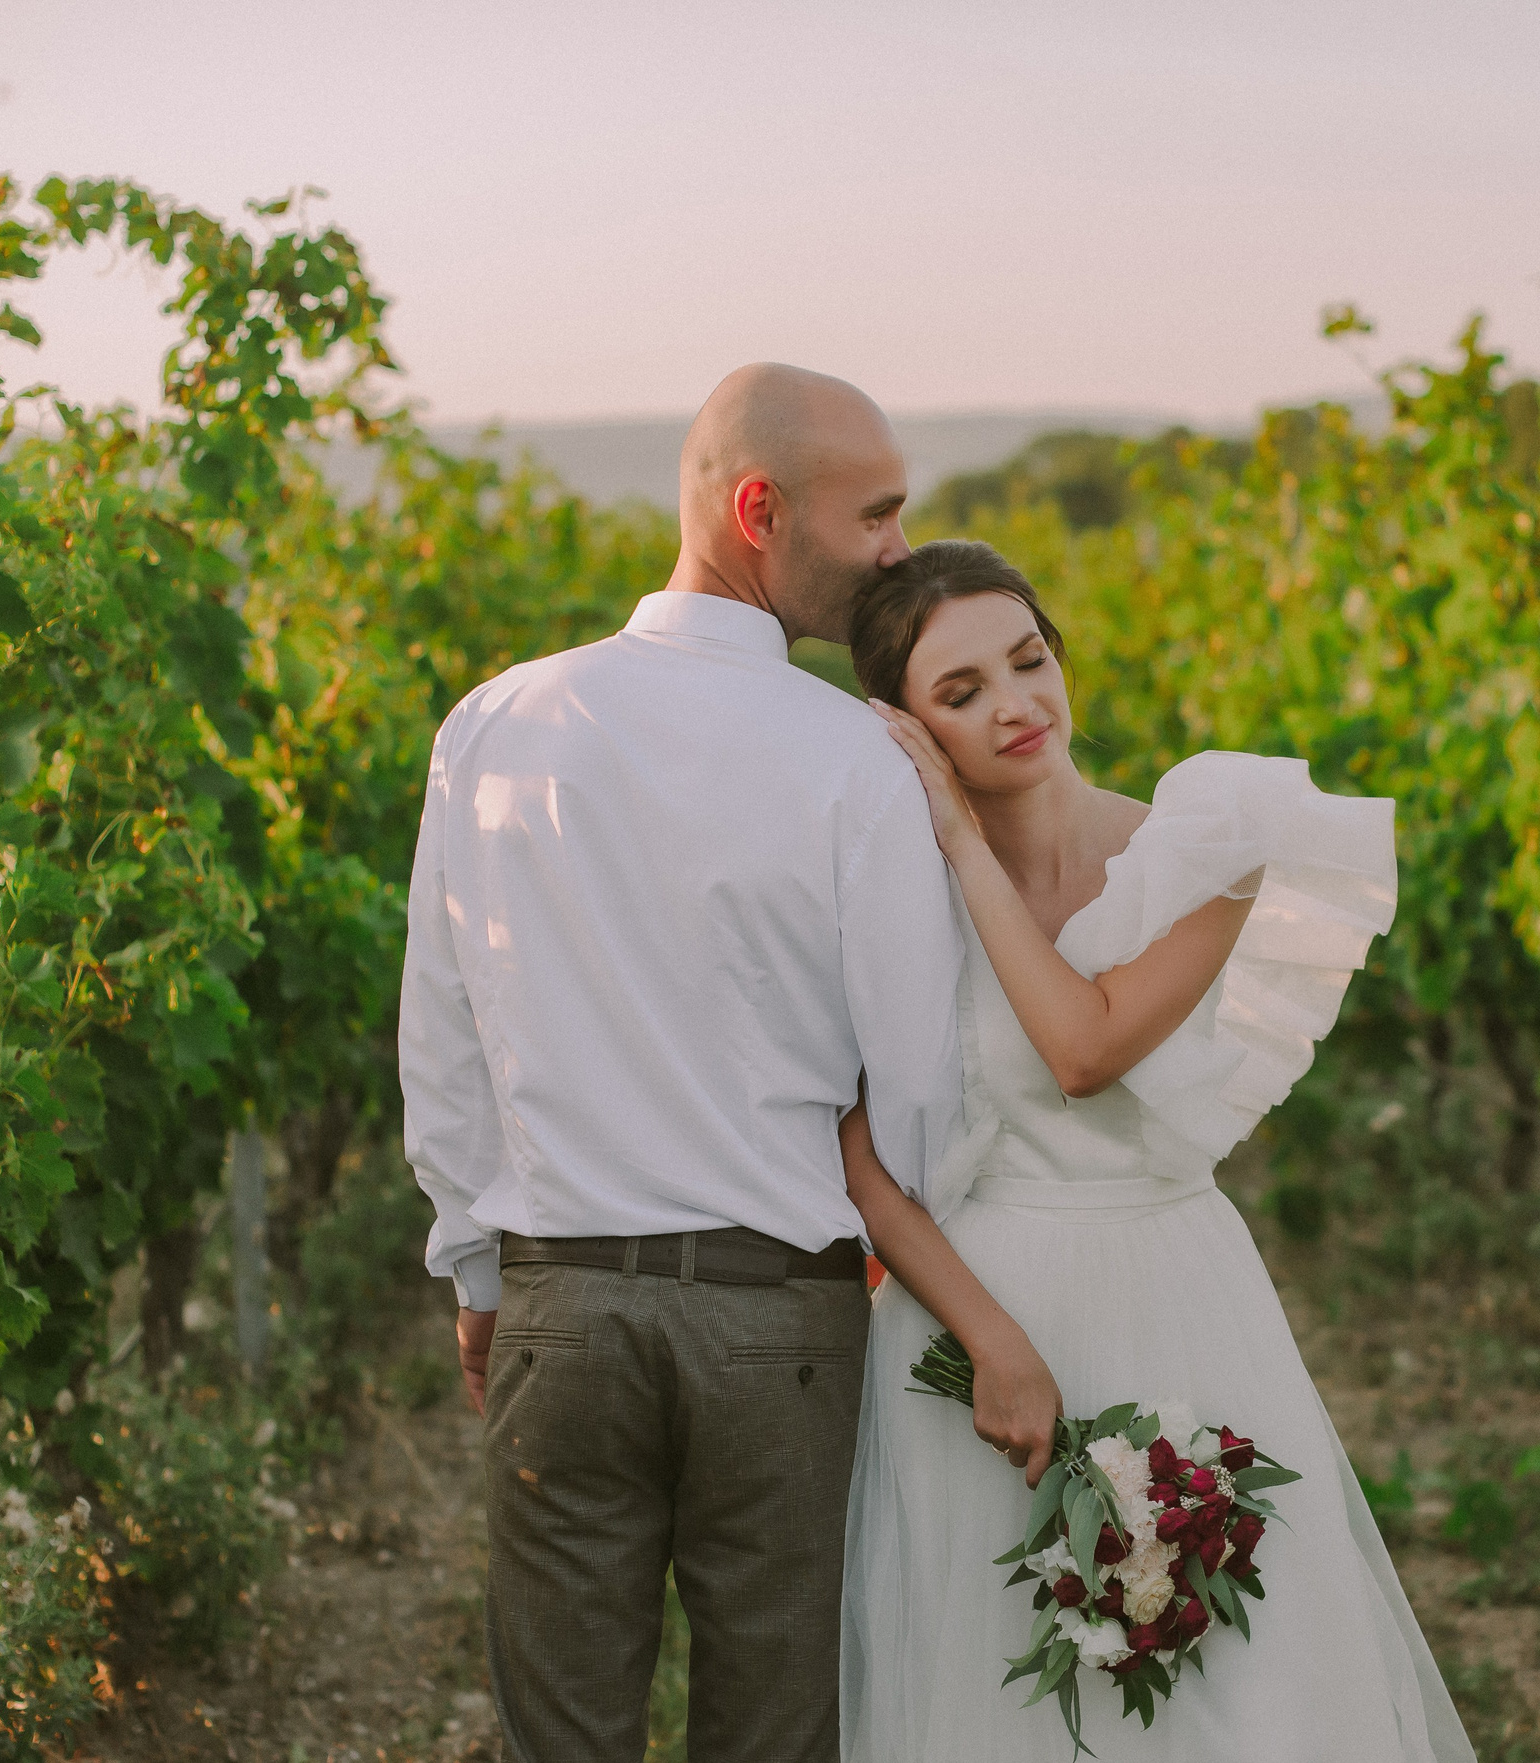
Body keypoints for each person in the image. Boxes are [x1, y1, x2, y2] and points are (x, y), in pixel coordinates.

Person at [398, 365, 988, 1763]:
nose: (899, 548)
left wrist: (479, 1273)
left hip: (564, 1311)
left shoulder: (495, 724)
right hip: (780, 1322)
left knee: (565, 1732)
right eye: (879, 513)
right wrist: (890, 1268)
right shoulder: (857, 756)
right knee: (780, 1731)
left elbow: (445, 1037)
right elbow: (917, 1079)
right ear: (759, 508)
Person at [835, 540, 1476, 1762]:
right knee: (998, 1688)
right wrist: (993, 1340)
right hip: (975, 1321)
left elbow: (1087, 1048)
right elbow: (863, 1165)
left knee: (1236, 1672)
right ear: (911, 729)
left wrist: (965, 851)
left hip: (1177, 1291)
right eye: (960, 692)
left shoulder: (1203, 846)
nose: (1015, 703)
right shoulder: (887, 891)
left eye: (1027, 660)